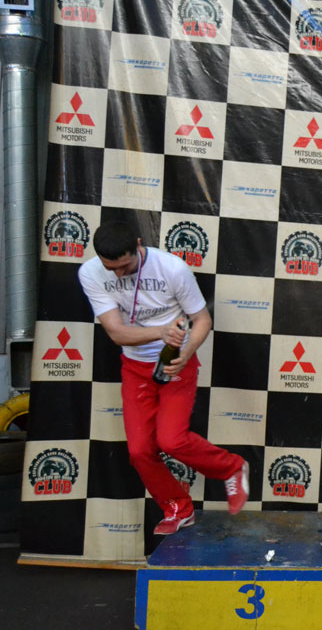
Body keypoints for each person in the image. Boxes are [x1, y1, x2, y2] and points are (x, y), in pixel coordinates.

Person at [78, 221, 248, 534]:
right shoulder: (90, 272)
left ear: (138, 245)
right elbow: (116, 333)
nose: (119, 274)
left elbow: (202, 319)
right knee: (140, 451)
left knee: (172, 440)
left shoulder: (173, 269)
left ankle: (232, 468)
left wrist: (187, 352)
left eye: (125, 266)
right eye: (111, 268)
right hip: (135, 367)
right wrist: (161, 331)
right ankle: (178, 508)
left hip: (175, 363)